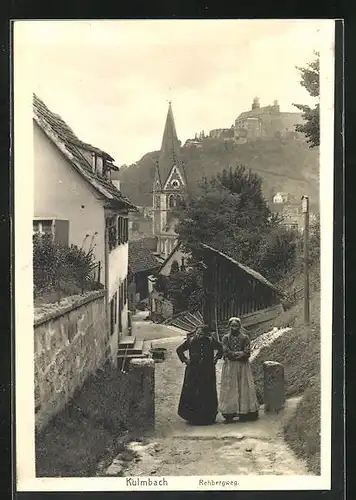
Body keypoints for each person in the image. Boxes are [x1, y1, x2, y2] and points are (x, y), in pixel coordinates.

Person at [176, 325, 223, 425]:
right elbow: (179, 350)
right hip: (193, 370)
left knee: (207, 392)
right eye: (197, 333)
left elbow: (220, 348)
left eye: (201, 334)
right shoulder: (191, 341)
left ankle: (208, 417)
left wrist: (216, 358)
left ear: (206, 334)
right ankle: (192, 417)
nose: (199, 335)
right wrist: (185, 360)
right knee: (193, 392)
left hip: (207, 371)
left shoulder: (210, 341)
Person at [219, 317, 259, 423]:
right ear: (229, 327)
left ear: (239, 326)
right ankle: (229, 413)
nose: (234, 328)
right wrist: (236, 354)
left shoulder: (245, 337)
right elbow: (226, 351)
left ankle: (244, 411)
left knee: (243, 386)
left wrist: (239, 355)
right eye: (232, 326)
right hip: (230, 366)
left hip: (243, 366)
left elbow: (247, 352)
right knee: (230, 388)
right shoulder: (225, 338)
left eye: (236, 326)